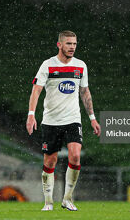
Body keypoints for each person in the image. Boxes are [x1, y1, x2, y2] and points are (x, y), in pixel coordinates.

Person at [26, 30, 101, 211]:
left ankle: (67, 199)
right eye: (68, 44)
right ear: (59, 45)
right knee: (50, 161)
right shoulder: (48, 65)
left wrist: (92, 118)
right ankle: (48, 202)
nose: (72, 47)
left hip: (72, 119)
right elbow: (36, 90)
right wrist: (31, 114)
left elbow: (85, 92)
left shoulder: (81, 66)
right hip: (51, 121)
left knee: (75, 155)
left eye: (74, 44)